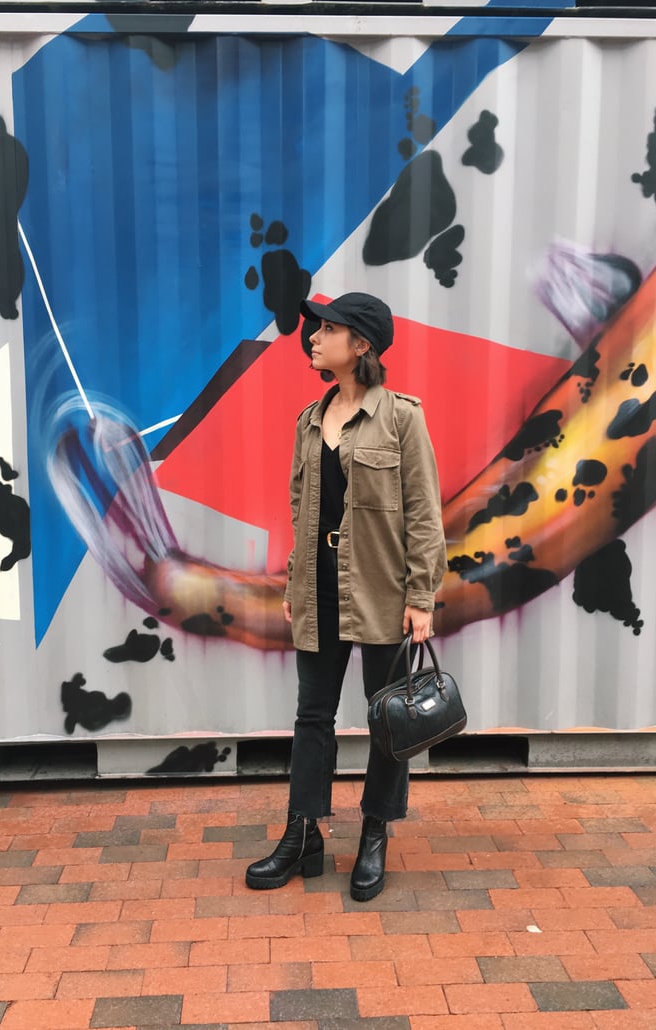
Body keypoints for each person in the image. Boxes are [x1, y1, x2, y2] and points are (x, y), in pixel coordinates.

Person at [245, 291, 447, 902]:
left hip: (383, 589)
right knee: (313, 716)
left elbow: (423, 514)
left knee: (388, 720)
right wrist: (292, 579)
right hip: (319, 586)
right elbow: (300, 508)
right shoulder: (309, 420)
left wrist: (422, 596)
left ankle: (375, 834)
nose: (313, 338)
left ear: (362, 345)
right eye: (315, 329)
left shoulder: (402, 418)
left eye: (327, 330)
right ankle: (301, 833)